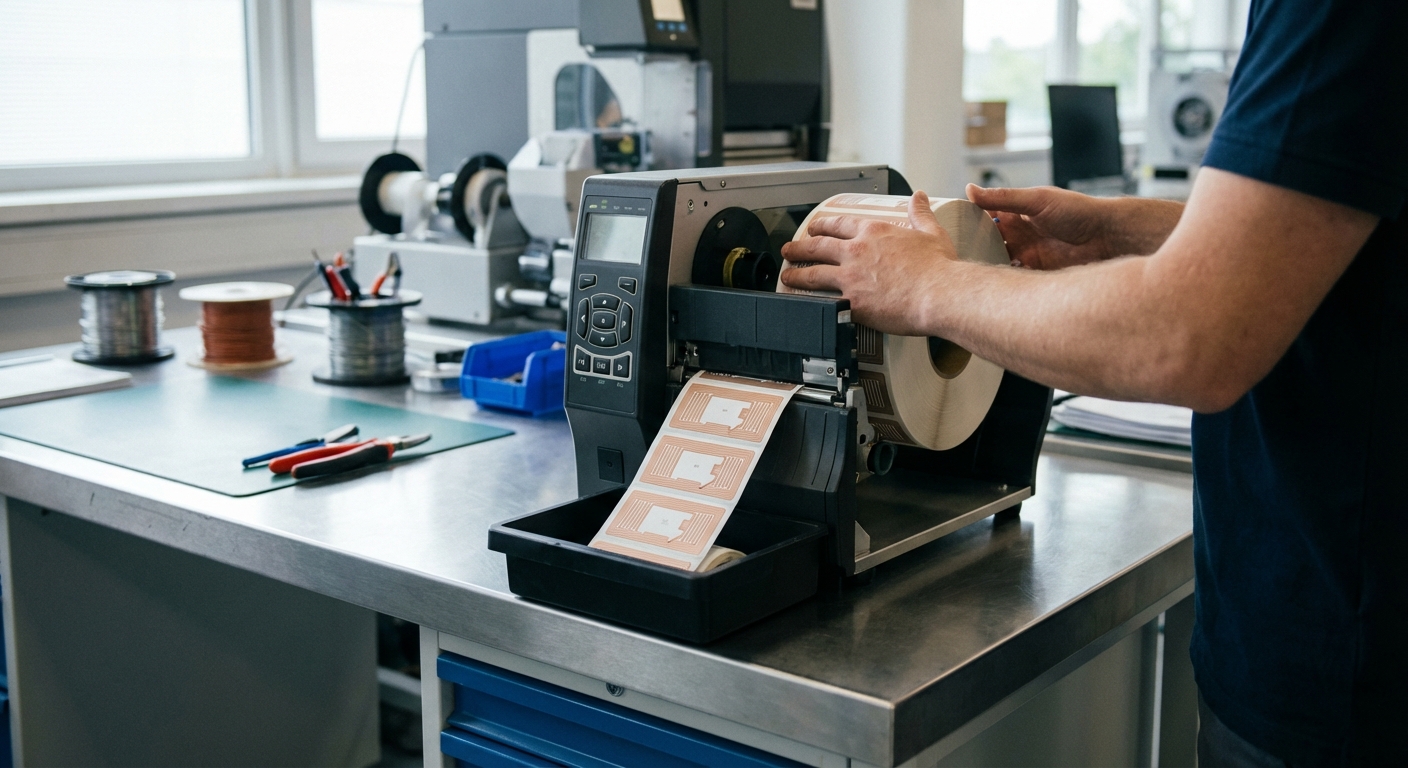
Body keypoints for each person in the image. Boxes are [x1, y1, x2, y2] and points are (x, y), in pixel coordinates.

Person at [779, 1, 1407, 765]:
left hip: (1346, 682)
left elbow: (1189, 336)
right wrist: (1124, 232)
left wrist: (927, 290)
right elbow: (1331, 238)